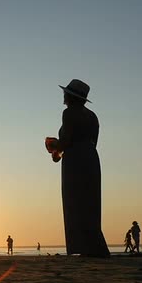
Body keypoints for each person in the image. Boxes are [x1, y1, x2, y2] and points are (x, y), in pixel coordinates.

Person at [46, 79, 110, 257]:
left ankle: (81, 246)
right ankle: (94, 245)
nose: (63, 96)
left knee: (74, 201)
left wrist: (53, 147)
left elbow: (66, 141)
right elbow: (93, 141)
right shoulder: (92, 116)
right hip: (91, 158)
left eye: (65, 93)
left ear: (70, 96)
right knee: (90, 202)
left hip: (74, 159)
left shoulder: (69, 114)